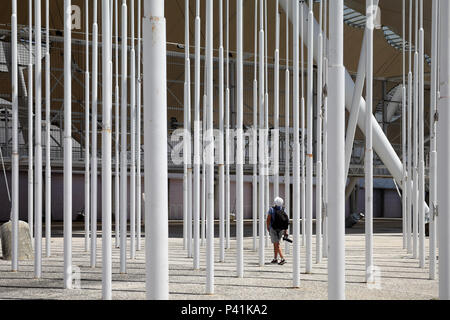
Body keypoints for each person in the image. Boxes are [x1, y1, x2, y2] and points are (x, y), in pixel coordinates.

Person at [266, 197, 288, 265]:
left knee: (277, 244)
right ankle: (275, 258)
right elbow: (286, 221)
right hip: (281, 229)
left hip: (273, 228)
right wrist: (285, 230)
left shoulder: (271, 209)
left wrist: (268, 228)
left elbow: (268, 219)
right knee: (276, 244)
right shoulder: (283, 209)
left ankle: (282, 258)